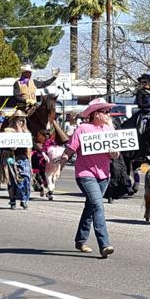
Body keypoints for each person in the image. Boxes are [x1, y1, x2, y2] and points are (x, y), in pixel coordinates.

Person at [58, 97, 118, 258]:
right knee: (98, 206)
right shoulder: (82, 129)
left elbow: (115, 154)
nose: (108, 114)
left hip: (104, 176)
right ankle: (104, 244)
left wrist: (114, 153)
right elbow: (70, 150)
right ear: (96, 114)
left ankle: (80, 240)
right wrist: (60, 165)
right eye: (105, 111)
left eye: (108, 111)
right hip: (85, 175)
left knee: (91, 207)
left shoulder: (109, 130)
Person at [3, 110, 32, 209]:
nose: (20, 122)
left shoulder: (26, 132)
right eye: (18, 120)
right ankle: (12, 200)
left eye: (22, 120)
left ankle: (24, 199)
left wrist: (30, 161)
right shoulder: (8, 131)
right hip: (11, 158)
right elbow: (5, 146)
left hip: (23, 158)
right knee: (12, 180)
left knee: (26, 179)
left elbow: (29, 148)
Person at [132, 72, 150, 136]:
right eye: (142, 82)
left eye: (144, 82)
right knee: (141, 128)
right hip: (144, 114)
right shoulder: (140, 92)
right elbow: (140, 104)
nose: (143, 83)